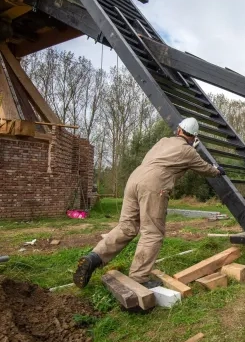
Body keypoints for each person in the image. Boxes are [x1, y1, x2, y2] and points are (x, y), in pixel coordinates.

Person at [73, 117, 225, 289]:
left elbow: (165, 157)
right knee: (152, 232)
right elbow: (205, 169)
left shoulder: (163, 141)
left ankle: (93, 258)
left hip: (134, 180)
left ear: (179, 130)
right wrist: (217, 171)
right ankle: (139, 277)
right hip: (154, 185)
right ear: (193, 137)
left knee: (126, 227)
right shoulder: (189, 152)